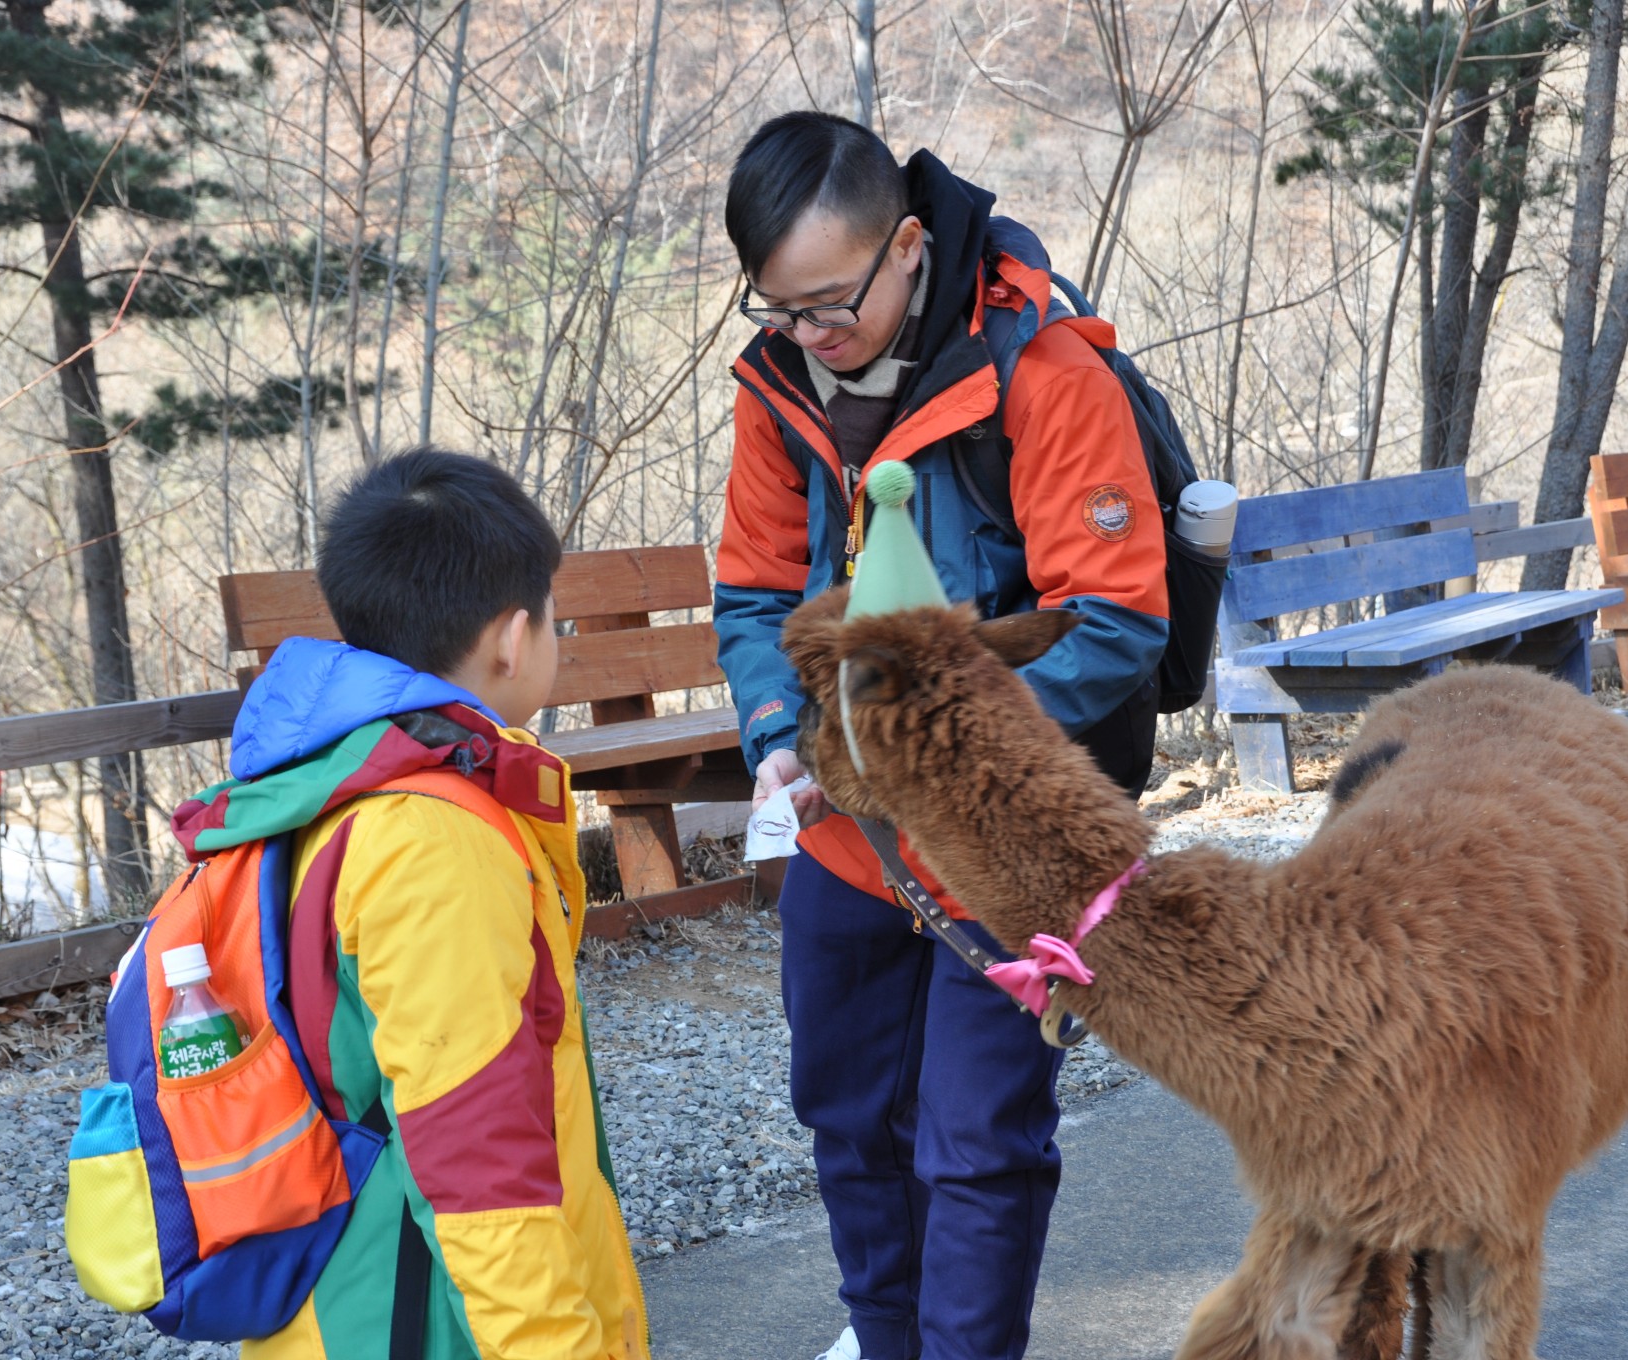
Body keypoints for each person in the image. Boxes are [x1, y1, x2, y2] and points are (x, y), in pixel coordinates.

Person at [713, 112, 1173, 1360]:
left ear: (908, 247)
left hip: (1002, 838)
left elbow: (1116, 621)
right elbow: (754, 592)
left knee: (975, 1143)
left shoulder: (1042, 373)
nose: (806, 337)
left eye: (829, 306)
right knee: (850, 1122)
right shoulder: (775, 387)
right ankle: (884, 1339)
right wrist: (775, 728)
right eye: (777, 311)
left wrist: (939, 750)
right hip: (843, 832)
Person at [216, 448, 647, 1360]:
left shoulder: (325, 773)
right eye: (553, 619)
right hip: (419, 1318)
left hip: (349, 1292)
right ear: (510, 638)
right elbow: (477, 1153)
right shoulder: (431, 838)